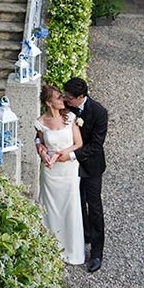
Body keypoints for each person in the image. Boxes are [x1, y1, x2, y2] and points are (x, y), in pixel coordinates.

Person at [59, 77, 108, 273]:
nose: (65, 100)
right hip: (67, 168)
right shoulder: (64, 106)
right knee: (75, 202)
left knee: (94, 207)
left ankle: (96, 253)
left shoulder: (99, 112)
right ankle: (81, 236)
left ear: (81, 97)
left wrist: (72, 154)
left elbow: (96, 145)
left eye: (69, 98)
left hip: (91, 166)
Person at [34, 84, 85, 265]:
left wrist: (61, 154)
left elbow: (78, 143)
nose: (62, 99)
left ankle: (71, 250)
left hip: (68, 170)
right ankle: (52, 248)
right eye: (58, 98)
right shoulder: (40, 122)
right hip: (50, 172)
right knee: (51, 208)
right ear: (48, 103)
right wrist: (42, 153)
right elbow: (40, 142)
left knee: (69, 207)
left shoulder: (70, 118)